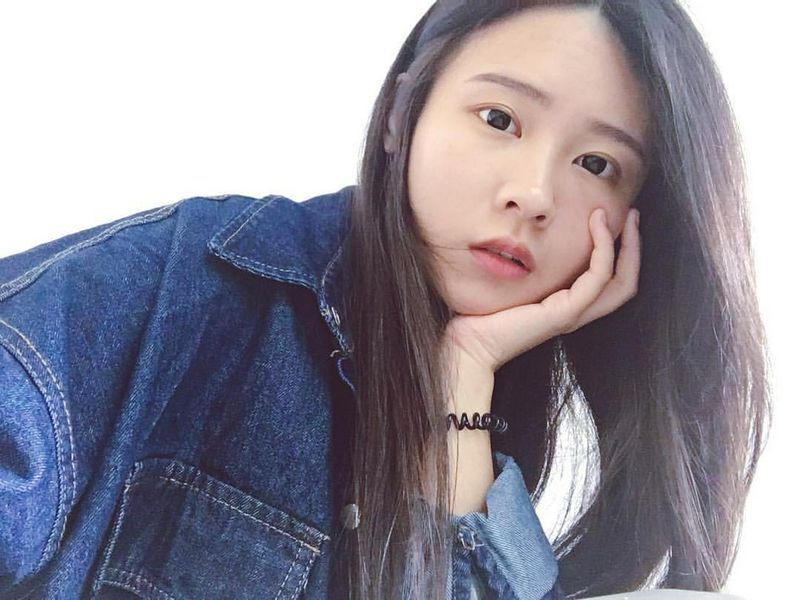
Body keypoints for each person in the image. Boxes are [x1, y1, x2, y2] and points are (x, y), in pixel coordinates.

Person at [0, 0, 771, 598]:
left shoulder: (493, 394)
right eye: (499, 119)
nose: (534, 194)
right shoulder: (181, 290)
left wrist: (460, 384)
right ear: (404, 114)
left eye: (597, 164)